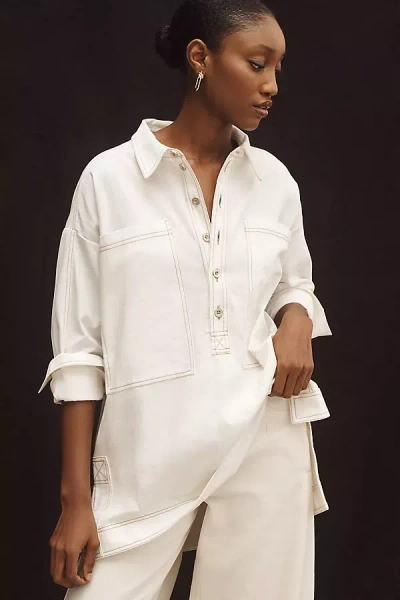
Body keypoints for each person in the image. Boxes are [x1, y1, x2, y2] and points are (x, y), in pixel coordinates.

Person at [38, 1, 333, 598]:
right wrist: (76, 501)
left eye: (278, 69)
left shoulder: (275, 182)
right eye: (257, 64)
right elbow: (78, 352)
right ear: (201, 58)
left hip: (261, 437)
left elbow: (293, 281)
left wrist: (298, 317)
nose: (272, 86)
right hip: (146, 455)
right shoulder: (109, 180)